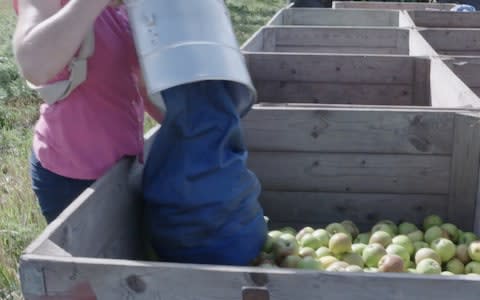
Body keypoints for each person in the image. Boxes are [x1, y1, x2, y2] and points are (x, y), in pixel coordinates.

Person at [12, 0, 163, 223]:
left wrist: (194, 133)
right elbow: (35, 66)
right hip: (72, 175)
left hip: (126, 164)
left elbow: (143, 86)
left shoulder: (126, 7)